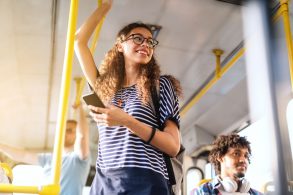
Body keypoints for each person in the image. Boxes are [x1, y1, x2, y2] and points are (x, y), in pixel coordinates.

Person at [74, 0, 182, 194]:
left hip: (146, 181)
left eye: (150, 41)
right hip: (105, 182)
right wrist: (104, 7)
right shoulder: (104, 87)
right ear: (120, 46)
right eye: (138, 38)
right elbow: (79, 42)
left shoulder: (161, 86)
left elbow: (173, 146)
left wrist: (126, 120)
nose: (146, 44)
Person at [0, 103, 90, 195]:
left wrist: (80, 110)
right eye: (64, 129)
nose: (64, 133)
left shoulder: (78, 160)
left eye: (69, 130)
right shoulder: (50, 159)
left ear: (76, 134)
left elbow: (82, 137)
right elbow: (23, 155)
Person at [192, 134, 262, 195]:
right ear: (220, 157)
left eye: (246, 156)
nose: (243, 160)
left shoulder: (257, 194)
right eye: (236, 154)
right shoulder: (201, 192)